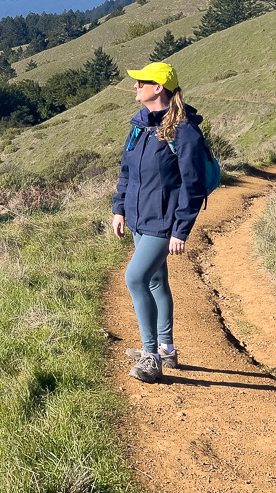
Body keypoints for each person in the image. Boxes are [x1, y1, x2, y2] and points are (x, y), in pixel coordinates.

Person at [111, 61, 210, 383]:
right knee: (154, 281)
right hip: (140, 217)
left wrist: (181, 229)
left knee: (135, 278)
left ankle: (150, 355)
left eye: (142, 82)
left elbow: (192, 186)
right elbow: (127, 172)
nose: (135, 86)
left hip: (162, 221)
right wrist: (120, 208)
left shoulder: (184, 132)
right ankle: (167, 348)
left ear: (159, 88)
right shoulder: (140, 126)